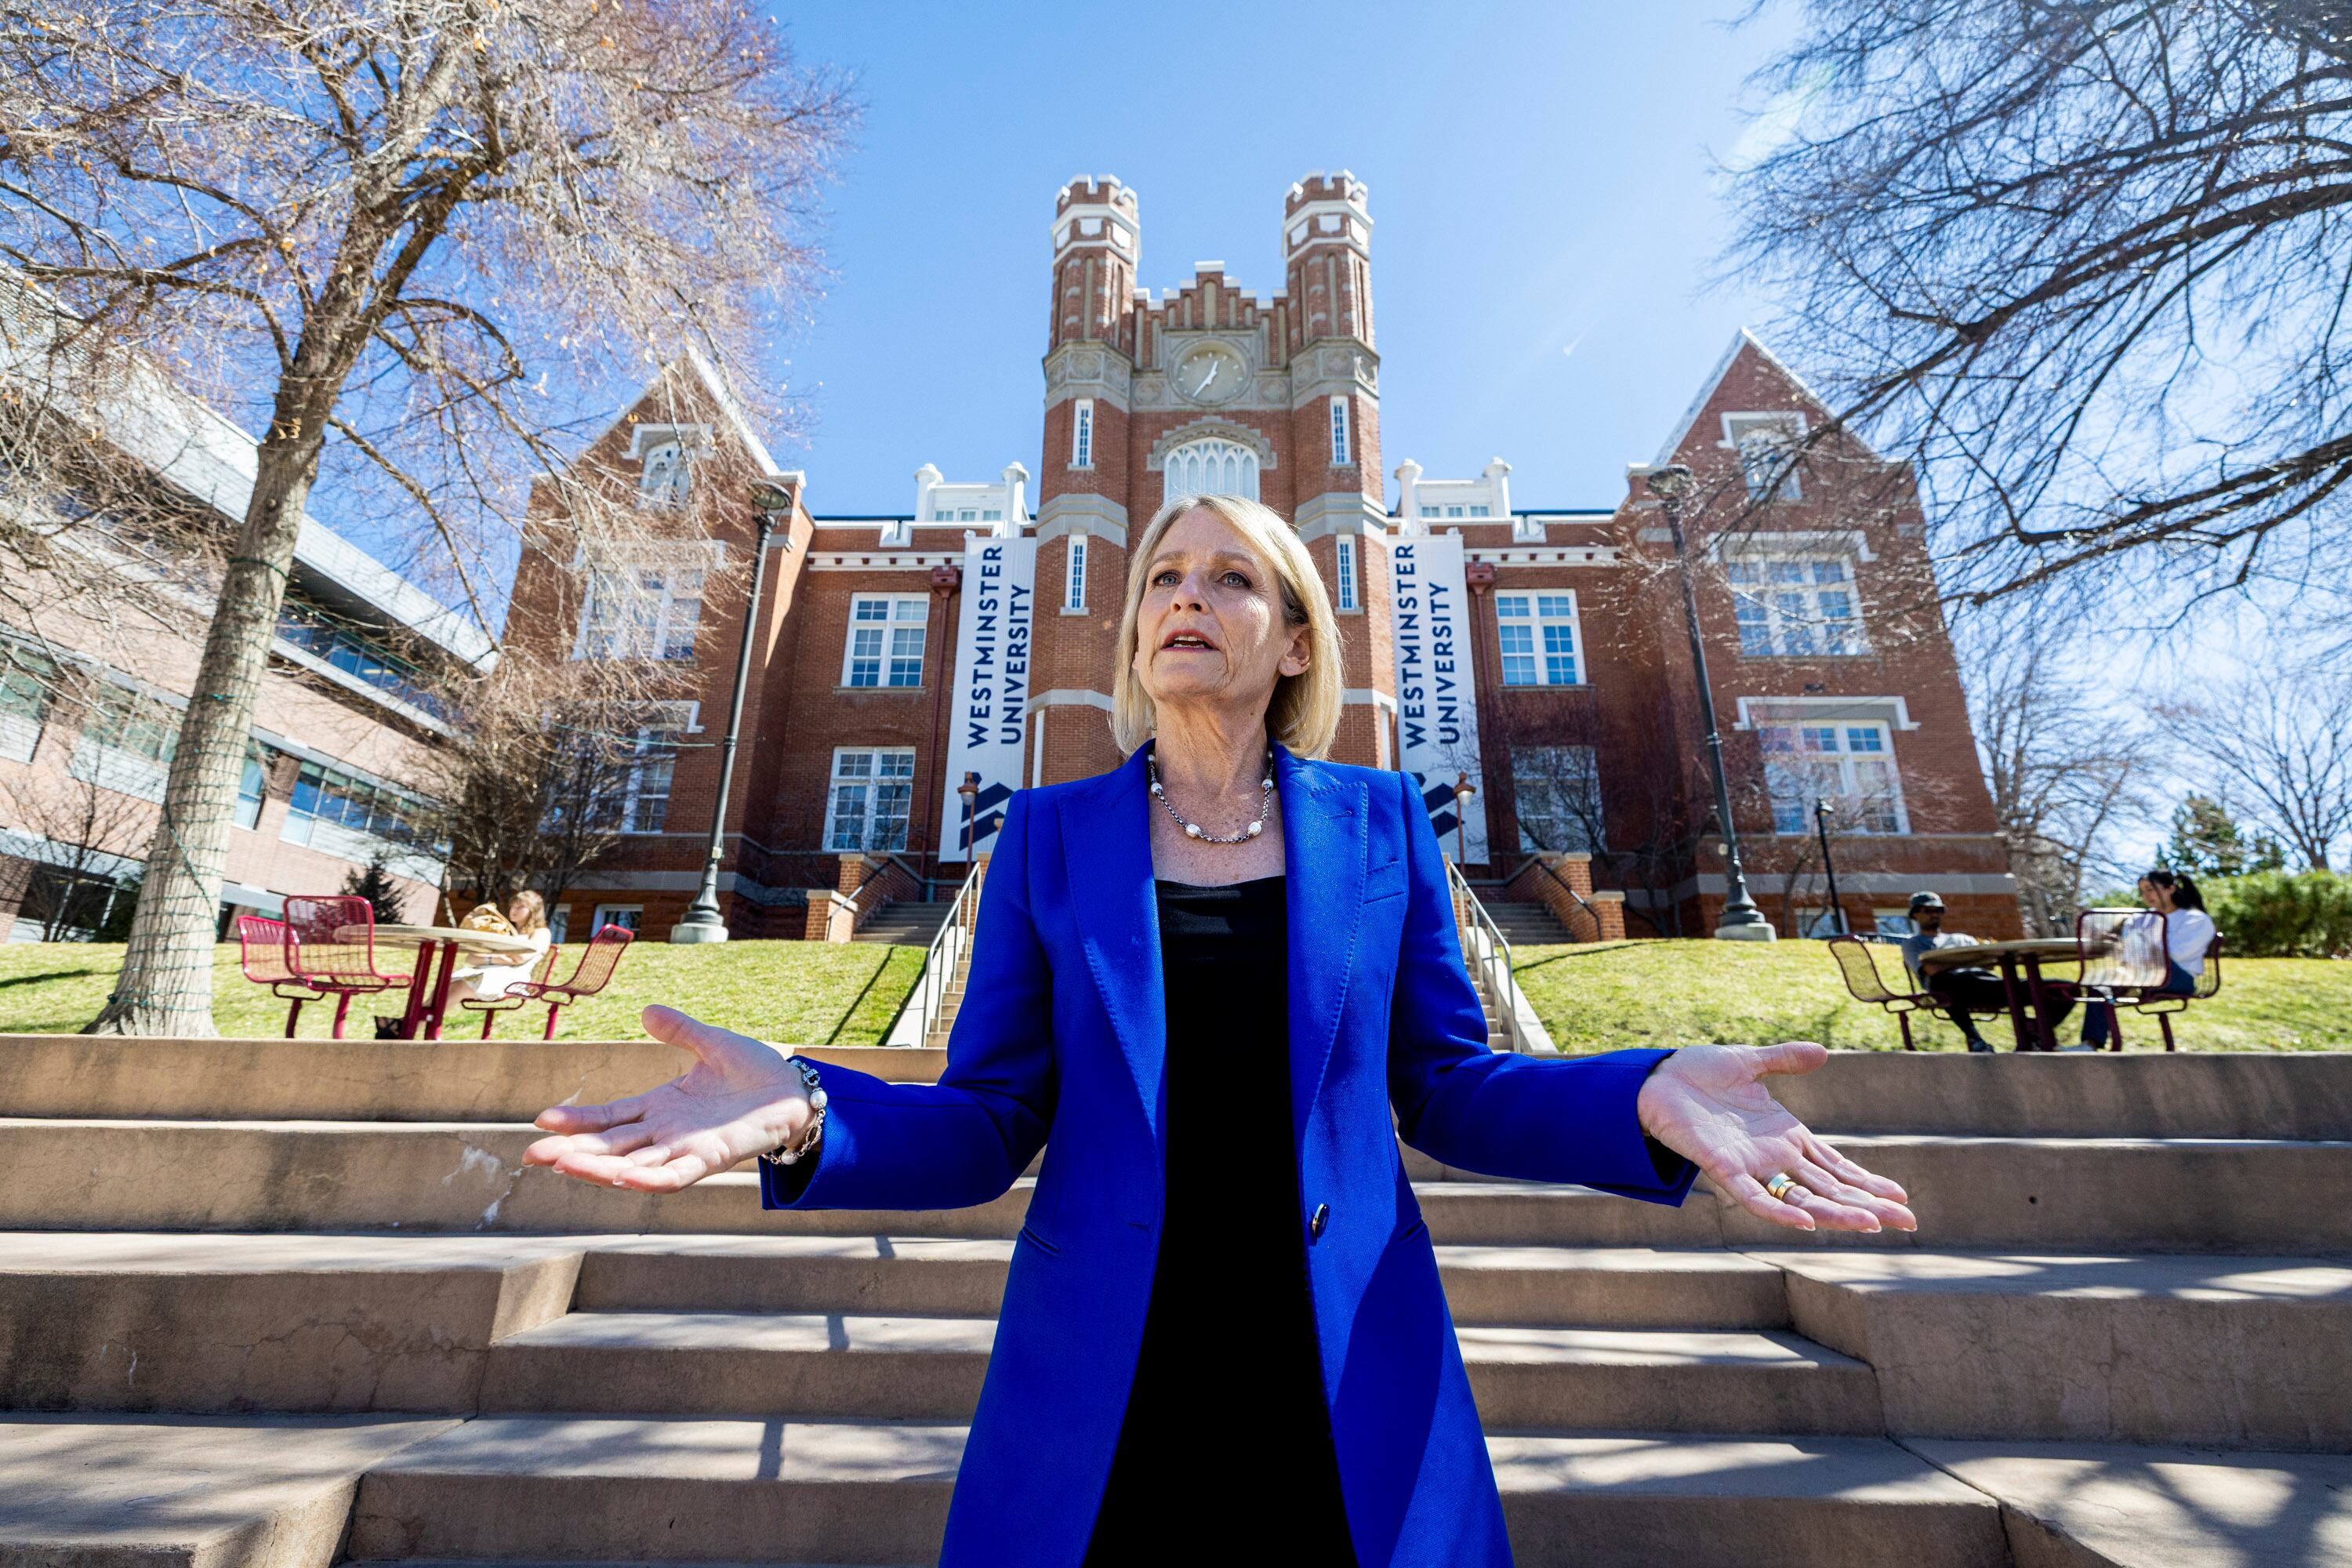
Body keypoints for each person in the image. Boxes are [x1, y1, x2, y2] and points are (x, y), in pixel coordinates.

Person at [522, 494, 1919, 1568]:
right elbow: (992, 1116)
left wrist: (1639, 1097)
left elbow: (1444, 1086)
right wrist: (813, 1109)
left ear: (1297, 637)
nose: (1187, 599)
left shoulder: (1379, 827)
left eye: (1231, 578)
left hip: (1342, 1364)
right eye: (1163, 580)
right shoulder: (1051, 840)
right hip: (1110, 1371)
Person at [1893, 891, 2074, 1051]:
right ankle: (1977, 1041)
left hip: (1988, 986)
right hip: (1953, 992)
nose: (1934, 914)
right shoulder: (1913, 944)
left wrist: (1957, 961)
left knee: (2066, 989)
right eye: (1928, 910)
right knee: (1943, 982)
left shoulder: (1962, 939)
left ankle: (2035, 1036)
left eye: (1938, 910)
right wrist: (1968, 961)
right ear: (1915, 915)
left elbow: (1988, 964)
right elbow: (1931, 970)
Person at [2080, 868, 2214, 1047]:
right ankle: (2090, 1044)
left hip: (2176, 977)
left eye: (2150, 889)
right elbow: (2127, 955)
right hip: (2139, 974)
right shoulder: (2139, 919)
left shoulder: (2195, 919)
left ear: (2171, 888)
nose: (2146, 895)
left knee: (2132, 949)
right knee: (2099, 984)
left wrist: (2133, 946)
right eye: (2142, 891)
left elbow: (2175, 954)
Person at [446, 889, 553, 1006]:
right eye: (513, 906)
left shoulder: (541, 932)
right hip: (486, 971)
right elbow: (471, 959)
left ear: (533, 911)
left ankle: (428, 1021)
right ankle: (426, 1019)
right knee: (443, 987)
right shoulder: (506, 931)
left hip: (511, 978)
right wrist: (495, 958)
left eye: (520, 907)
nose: (514, 910)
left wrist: (493, 954)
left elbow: (522, 956)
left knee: (459, 986)